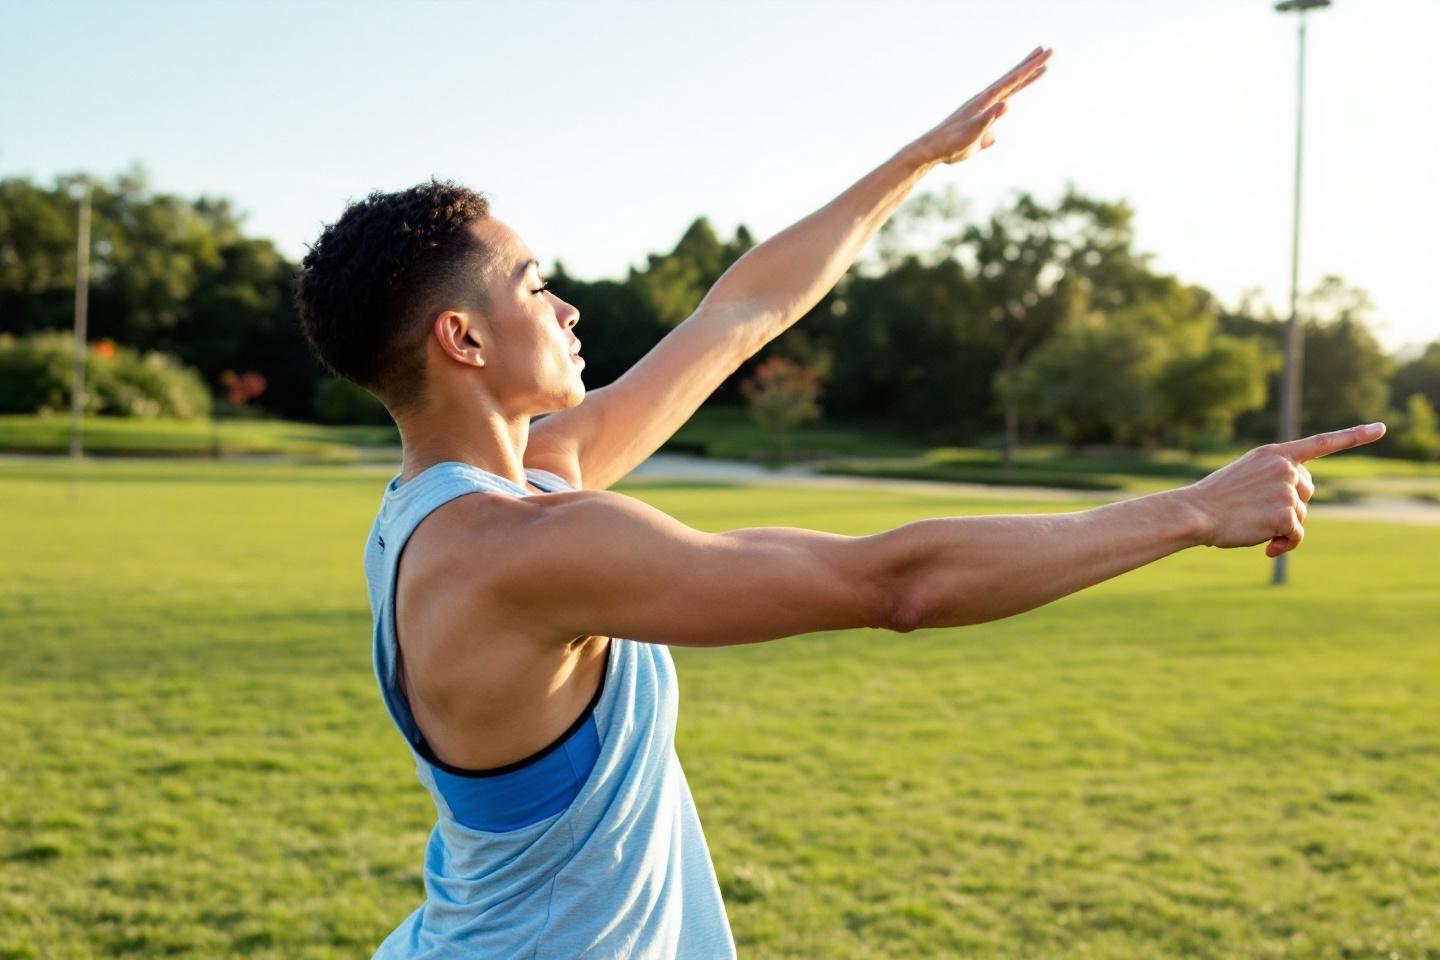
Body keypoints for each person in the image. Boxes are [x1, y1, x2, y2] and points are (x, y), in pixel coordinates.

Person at [294, 45, 1384, 959]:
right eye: (533, 282)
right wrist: (1193, 511)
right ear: (463, 339)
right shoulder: (527, 547)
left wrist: (917, 161)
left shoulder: (461, 504)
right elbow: (894, 585)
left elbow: (744, 311)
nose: (567, 304)